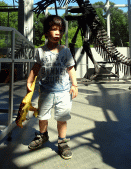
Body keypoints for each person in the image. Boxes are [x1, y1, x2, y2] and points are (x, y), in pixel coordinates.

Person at [27, 15, 78, 159]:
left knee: (62, 118)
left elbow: (71, 68)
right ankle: (43, 136)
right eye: (54, 29)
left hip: (63, 92)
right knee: (42, 116)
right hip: (45, 91)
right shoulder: (40, 51)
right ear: (45, 32)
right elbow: (35, 68)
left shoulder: (65, 51)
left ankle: (62, 142)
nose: (58, 33)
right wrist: (29, 82)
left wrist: (74, 84)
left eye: (60, 30)